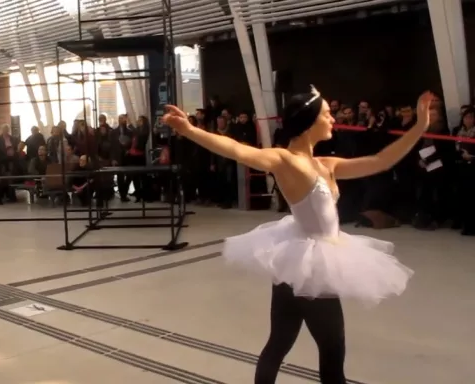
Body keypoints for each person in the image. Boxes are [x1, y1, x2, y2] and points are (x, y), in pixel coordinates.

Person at [162, 86, 430, 384]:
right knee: (330, 351)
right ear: (309, 119)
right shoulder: (285, 161)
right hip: (311, 265)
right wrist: (189, 130)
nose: (333, 120)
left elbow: (381, 161)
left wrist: (419, 127)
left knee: (280, 342)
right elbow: (237, 150)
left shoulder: (326, 164)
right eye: (327, 114)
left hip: (298, 262)